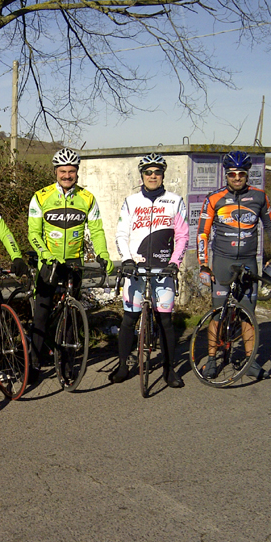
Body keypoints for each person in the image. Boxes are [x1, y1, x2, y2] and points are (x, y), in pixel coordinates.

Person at [27, 147, 114, 382]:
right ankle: (33, 364)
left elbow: (96, 230)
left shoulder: (87, 198)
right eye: (63, 171)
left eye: (71, 171)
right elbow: (33, 233)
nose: (67, 175)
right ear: (55, 172)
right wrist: (45, 254)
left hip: (74, 262)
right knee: (41, 314)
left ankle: (66, 364)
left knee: (71, 316)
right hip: (49, 261)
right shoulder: (41, 197)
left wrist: (103, 254)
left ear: (77, 172)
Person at [197, 150, 271, 380]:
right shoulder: (214, 198)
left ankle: (250, 360)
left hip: (248, 262)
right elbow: (203, 233)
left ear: (247, 174)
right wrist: (203, 264)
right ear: (226, 175)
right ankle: (212, 360)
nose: (237, 178)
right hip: (222, 261)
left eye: (241, 174)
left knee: (248, 314)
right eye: (232, 174)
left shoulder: (259, 197)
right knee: (217, 313)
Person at [111, 153, 188, 388]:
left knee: (165, 321)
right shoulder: (131, 201)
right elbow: (121, 234)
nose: (152, 176)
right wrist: (126, 260)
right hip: (135, 269)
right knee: (129, 319)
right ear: (142, 175)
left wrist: (175, 263)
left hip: (163, 270)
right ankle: (123, 366)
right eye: (148, 172)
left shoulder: (175, 201)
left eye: (157, 172)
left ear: (163, 175)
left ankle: (169, 370)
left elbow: (183, 236)